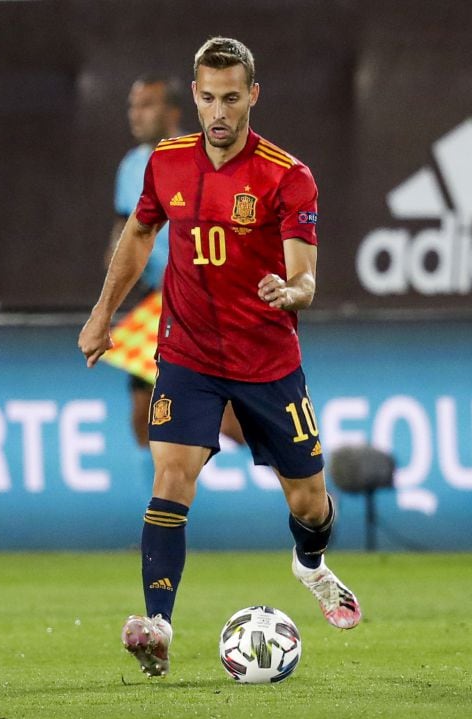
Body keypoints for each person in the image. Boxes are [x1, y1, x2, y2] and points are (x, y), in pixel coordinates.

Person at [78, 37, 361, 678]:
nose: (219, 113)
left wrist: (295, 290)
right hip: (187, 352)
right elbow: (141, 233)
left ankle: (310, 565)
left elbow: (305, 275)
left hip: (267, 360)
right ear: (196, 96)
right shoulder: (167, 163)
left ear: (252, 95)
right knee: (171, 476)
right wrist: (102, 316)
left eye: (232, 98)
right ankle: (158, 626)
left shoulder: (288, 176)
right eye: (208, 98)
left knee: (309, 505)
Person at [103, 75, 245, 448]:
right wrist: (116, 256)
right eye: (132, 106)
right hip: (157, 303)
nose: (136, 115)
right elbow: (123, 228)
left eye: (146, 105)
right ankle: (175, 497)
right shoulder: (130, 166)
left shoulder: (204, 157)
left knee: (234, 422)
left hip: (206, 303)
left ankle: (303, 478)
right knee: (143, 420)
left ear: (173, 112)